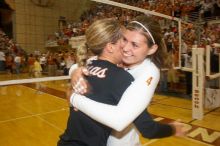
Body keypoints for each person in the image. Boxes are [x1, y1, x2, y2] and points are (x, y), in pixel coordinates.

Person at [69, 15, 185, 146]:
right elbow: (86, 63)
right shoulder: (115, 58)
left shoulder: (148, 71)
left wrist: (74, 99)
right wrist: (75, 72)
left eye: (135, 45)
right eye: (124, 39)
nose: (125, 48)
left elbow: (124, 121)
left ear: (151, 49)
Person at [58, 18, 135, 146]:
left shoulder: (85, 67)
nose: (127, 46)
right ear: (110, 47)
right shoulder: (122, 78)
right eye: (124, 40)